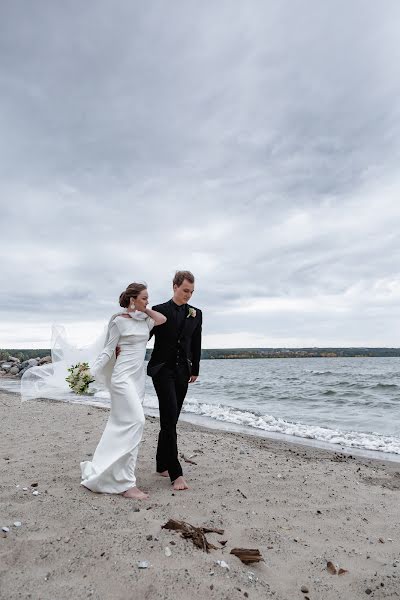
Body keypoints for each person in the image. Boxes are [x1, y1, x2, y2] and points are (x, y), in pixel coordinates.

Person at [80, 283, 166, 500]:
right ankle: (127, 485)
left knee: (123, 427)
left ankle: (113, 474)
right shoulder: (118, 321)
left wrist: (144, 309)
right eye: (144, 298)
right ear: (132, 299)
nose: (148, 301)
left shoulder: (146, 321)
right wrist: (90, 373)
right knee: (138, 421)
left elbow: (162, 319)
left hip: (137, 381)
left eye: (148, 298)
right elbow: (108, 350)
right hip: (122, 379)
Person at [147, 270, 202, 491]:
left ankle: (161, 464)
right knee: (169, 419)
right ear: (174, 286)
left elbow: (196, 343)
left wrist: (195, 368)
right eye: (185, 290)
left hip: (182, 372)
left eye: (192, 291)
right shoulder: (159, 311)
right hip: (162, 371)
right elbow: (144, 336)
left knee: (171, 419)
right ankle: (175, 473)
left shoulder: (196, 313)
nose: (188, 295)